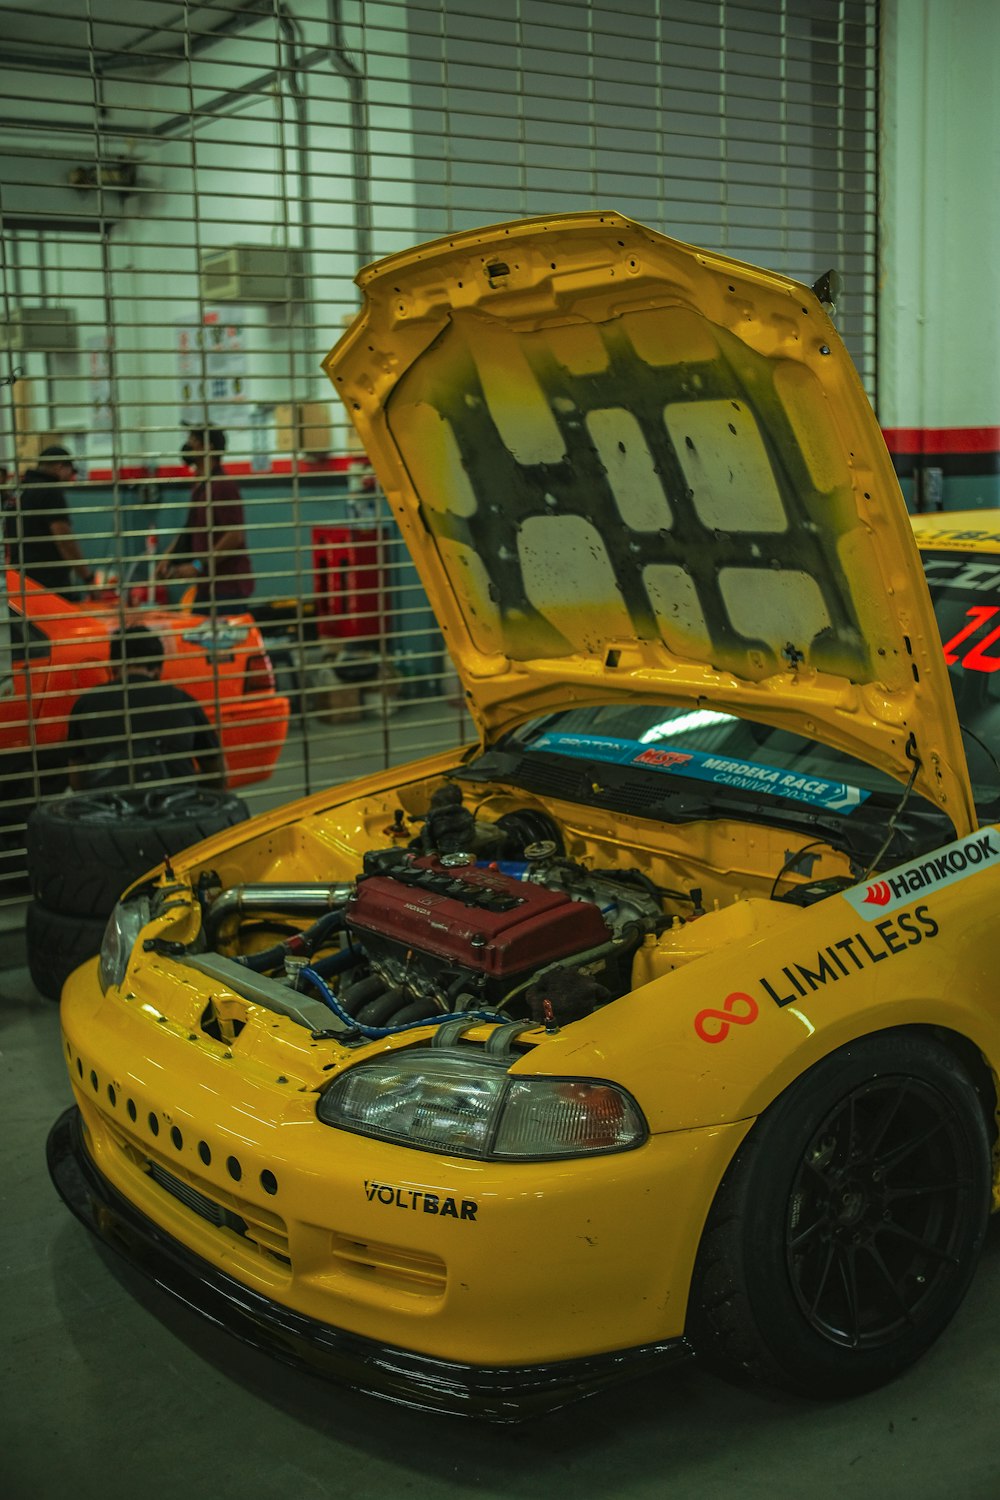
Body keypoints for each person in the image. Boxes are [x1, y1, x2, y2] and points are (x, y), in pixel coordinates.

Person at [67, 624, 225, 791]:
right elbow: (216, 773)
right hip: (176, 810)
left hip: (111, 811)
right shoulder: (183, 702)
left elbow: (77, 781)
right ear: (158, 671)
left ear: (113, 669)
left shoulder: (85, 705)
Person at [156, 426, 252, 609]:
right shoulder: (200, 485)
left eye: (193, 441)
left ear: (207, 447)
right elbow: (191, 527)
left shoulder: (222, 486)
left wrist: (199, 565)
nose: (188, 446)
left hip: (226, 589)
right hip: (207, 587)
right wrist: (168, 557)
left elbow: (235, 535)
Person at [10, 445, 94, 597]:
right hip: (49, 581)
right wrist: (87, 577)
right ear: (60, 466)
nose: (70, 478)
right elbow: (63, 540)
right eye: (71, 472)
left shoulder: (19, 489)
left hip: (20, 580)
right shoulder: (50, 490)